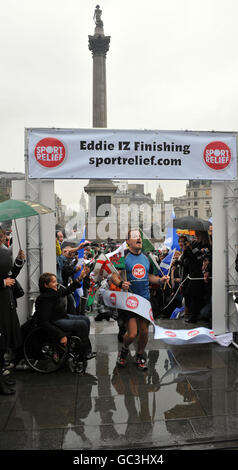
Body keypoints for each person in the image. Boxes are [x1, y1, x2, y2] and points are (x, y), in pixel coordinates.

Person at [111, 229, 169, 370]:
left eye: (140, 237)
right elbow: (114, 275)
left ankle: (140, 355)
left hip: (144, 300)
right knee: (132, 334)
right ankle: (124, 350)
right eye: (135, 237)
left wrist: (160, 280)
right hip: (130, 300)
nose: (139, 239)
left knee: (144, 331)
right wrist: (120, 283)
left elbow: (150, 277)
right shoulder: (122, 256)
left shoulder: (146, 257)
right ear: (128, 241)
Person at [35, 266, 96, 374]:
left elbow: (68, 290)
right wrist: (60, 335)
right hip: (55, 322)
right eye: (54, 282)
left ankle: (84, 349)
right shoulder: (44, 299)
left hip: (61, 317)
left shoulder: (52, 294)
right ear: (46, 285)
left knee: (86, 319)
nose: (57, 283)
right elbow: (44, 322)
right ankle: (82, 355)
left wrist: (80, 277)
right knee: (82, 324)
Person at [0, 228, 26, 395]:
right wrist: (2, 283)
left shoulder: (3, 254)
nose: (3, 239)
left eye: (2, 236)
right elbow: (6, 279)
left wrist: (18, 261)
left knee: (4, 344)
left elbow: (11, 275)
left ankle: (2, 377)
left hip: (7, 305)